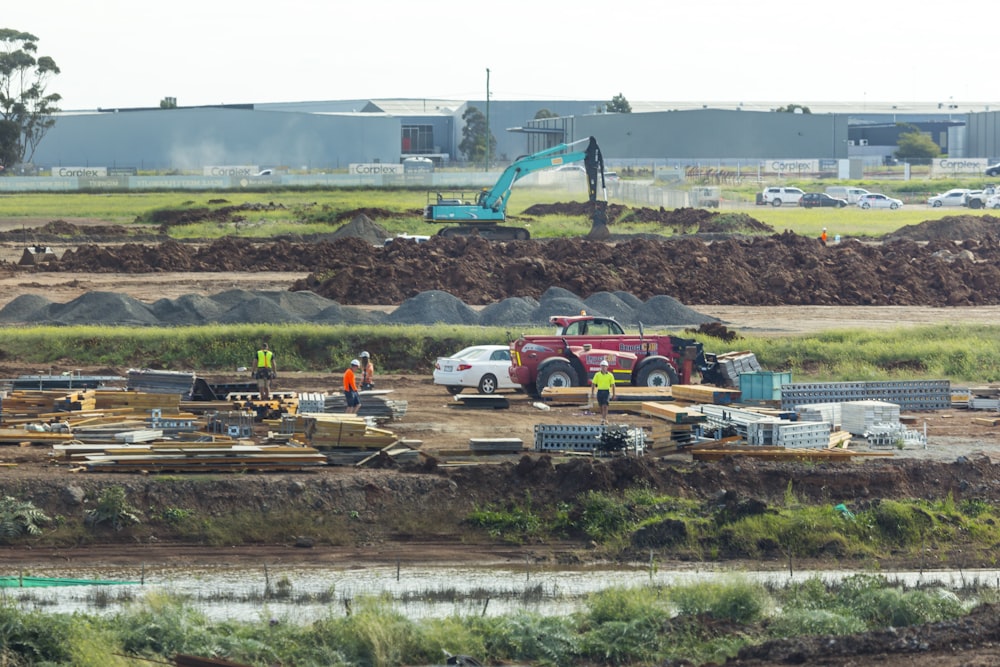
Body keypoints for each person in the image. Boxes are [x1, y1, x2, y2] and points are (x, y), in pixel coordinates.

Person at [590, 359, 616, 425]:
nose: (603, 368)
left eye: (605, 366)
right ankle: (604, 417)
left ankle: (603, 419)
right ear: (600, 367)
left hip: (606, 391)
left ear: (607, 367)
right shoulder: (597, 375)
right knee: (601, 406)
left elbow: (613, 385)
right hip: (600, 391)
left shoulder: (610, 375)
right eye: (602, 366)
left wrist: (614, 394)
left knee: (605, 405)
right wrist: (592, 393)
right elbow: (593, 384)